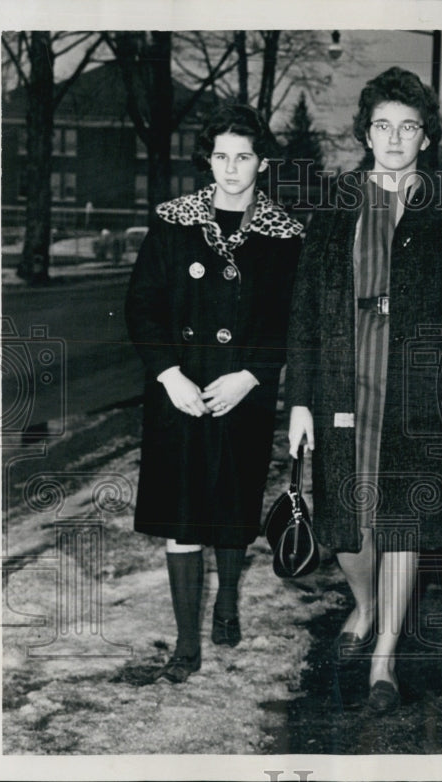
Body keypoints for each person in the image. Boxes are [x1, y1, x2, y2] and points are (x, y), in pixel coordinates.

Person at [286, 67, 442, 714]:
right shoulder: (334, 205)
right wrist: (300, 400)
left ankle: (385, 654)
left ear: (426, 137)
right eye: (382, 126)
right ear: (366, 132)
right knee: (349, 527)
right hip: (343, 382)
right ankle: (364, 606)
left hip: (415, 391)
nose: (394, 138)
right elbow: (304, 308)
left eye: (408, 127)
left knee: (405, 521)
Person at [126, 103, 304, 683]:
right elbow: (143, 306)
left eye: (244, 156)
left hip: (241, 391)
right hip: (179, 388)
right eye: (221, 156)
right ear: (208, 158)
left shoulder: (282, 235)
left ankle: (227, 598)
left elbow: (291, 319)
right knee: (182, 518)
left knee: (231, 506)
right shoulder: (174, 223)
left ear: (262, 161)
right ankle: (185, 645)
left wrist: (252, 375)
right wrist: (169, 374)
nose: (231, 169)